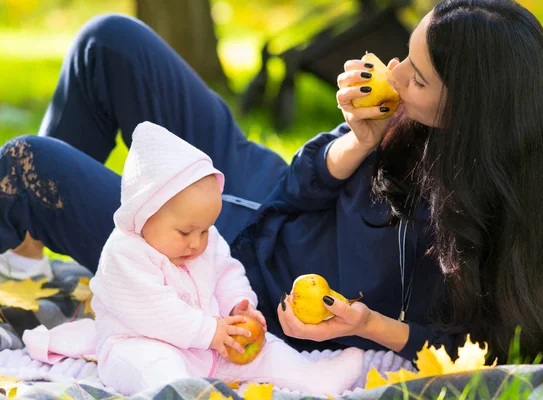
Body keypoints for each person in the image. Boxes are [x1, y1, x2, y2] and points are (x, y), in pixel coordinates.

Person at [0, 0, 543, 365]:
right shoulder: (412, 128)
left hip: (221, 260)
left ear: (470, 114)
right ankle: (26, 257)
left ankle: (28, 221)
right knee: (110, 44)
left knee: (25, 166)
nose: (392, 74)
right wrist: (357, 141)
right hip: (260, 186)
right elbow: (297, 188)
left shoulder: (491, 229)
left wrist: (366, 326)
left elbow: (481, 344)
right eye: (404, 56)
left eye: (415, 77)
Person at [24, 121, 364, 396]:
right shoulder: (125, 254)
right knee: (157, 364)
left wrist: (237, 307)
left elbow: (227, 272)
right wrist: (209, 331)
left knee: (267, 350)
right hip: (138, 342)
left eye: (205, 229)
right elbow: (154, 310)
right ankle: (178, 392)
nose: (197, 242)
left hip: (209, 344)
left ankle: (315, 378)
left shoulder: (205, 238)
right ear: (145, 214)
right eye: (186, 232)